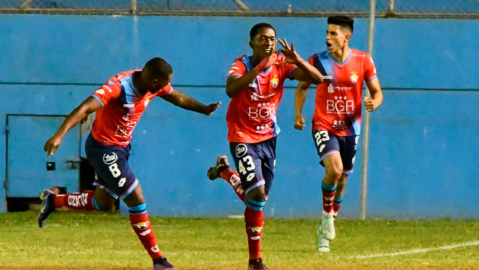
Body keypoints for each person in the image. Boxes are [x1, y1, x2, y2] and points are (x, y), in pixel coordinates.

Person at [39, 57, 221, 270]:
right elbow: (85, 107)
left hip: (122, 148)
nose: (166, 87)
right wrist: (60, 135)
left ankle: (53, 201)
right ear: (153, 81)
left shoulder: (152, 84)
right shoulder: (119, 87)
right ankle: (159, 260)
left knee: (103, 203)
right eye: (164, 84)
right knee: (136, 197)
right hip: (104, 150)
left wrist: (204, 109)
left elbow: (178, 97)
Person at [207, 23, 323, 270]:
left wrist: (298, 60)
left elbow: (317, 79)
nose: (268, 42)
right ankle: (255, 261)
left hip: (268, 137)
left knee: (257, 200)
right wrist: (259, 69)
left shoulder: (281, 63)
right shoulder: (240, 64)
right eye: (262, 38)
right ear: (252, 43)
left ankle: (226, 173)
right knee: (257, 194)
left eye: (271, 38)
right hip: (241, 136)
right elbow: (231, 90)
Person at [293, 16, 384, 252]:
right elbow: (302, 86)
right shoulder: (318, 61)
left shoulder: (364, 60)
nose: (327, 37)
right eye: (327, 32)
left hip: (350, 129)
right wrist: (298, 114)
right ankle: (326, 219)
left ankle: (326, 227)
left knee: (343, 179)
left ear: (347, 37)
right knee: (333, 169)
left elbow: (377, 92)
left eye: (333, 33)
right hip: (324, 124)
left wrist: (374, 102)